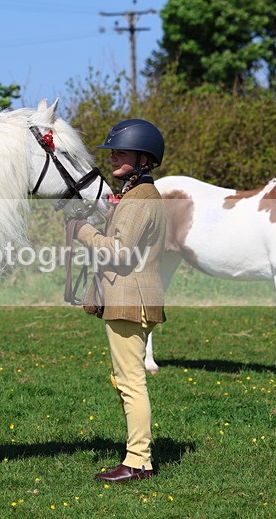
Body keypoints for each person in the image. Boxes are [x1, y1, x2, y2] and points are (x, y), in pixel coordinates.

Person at [71, 119, 167, 483]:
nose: (113, 157)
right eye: (112, 152)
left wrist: (83, 232)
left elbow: (121, 253)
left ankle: (139, 461)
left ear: (144, 158)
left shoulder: (141, 199)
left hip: (131, 298)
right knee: (125, 379)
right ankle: (136, 454)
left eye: (121, 152)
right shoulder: (135, 195)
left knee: (131, 381)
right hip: (129, 297)